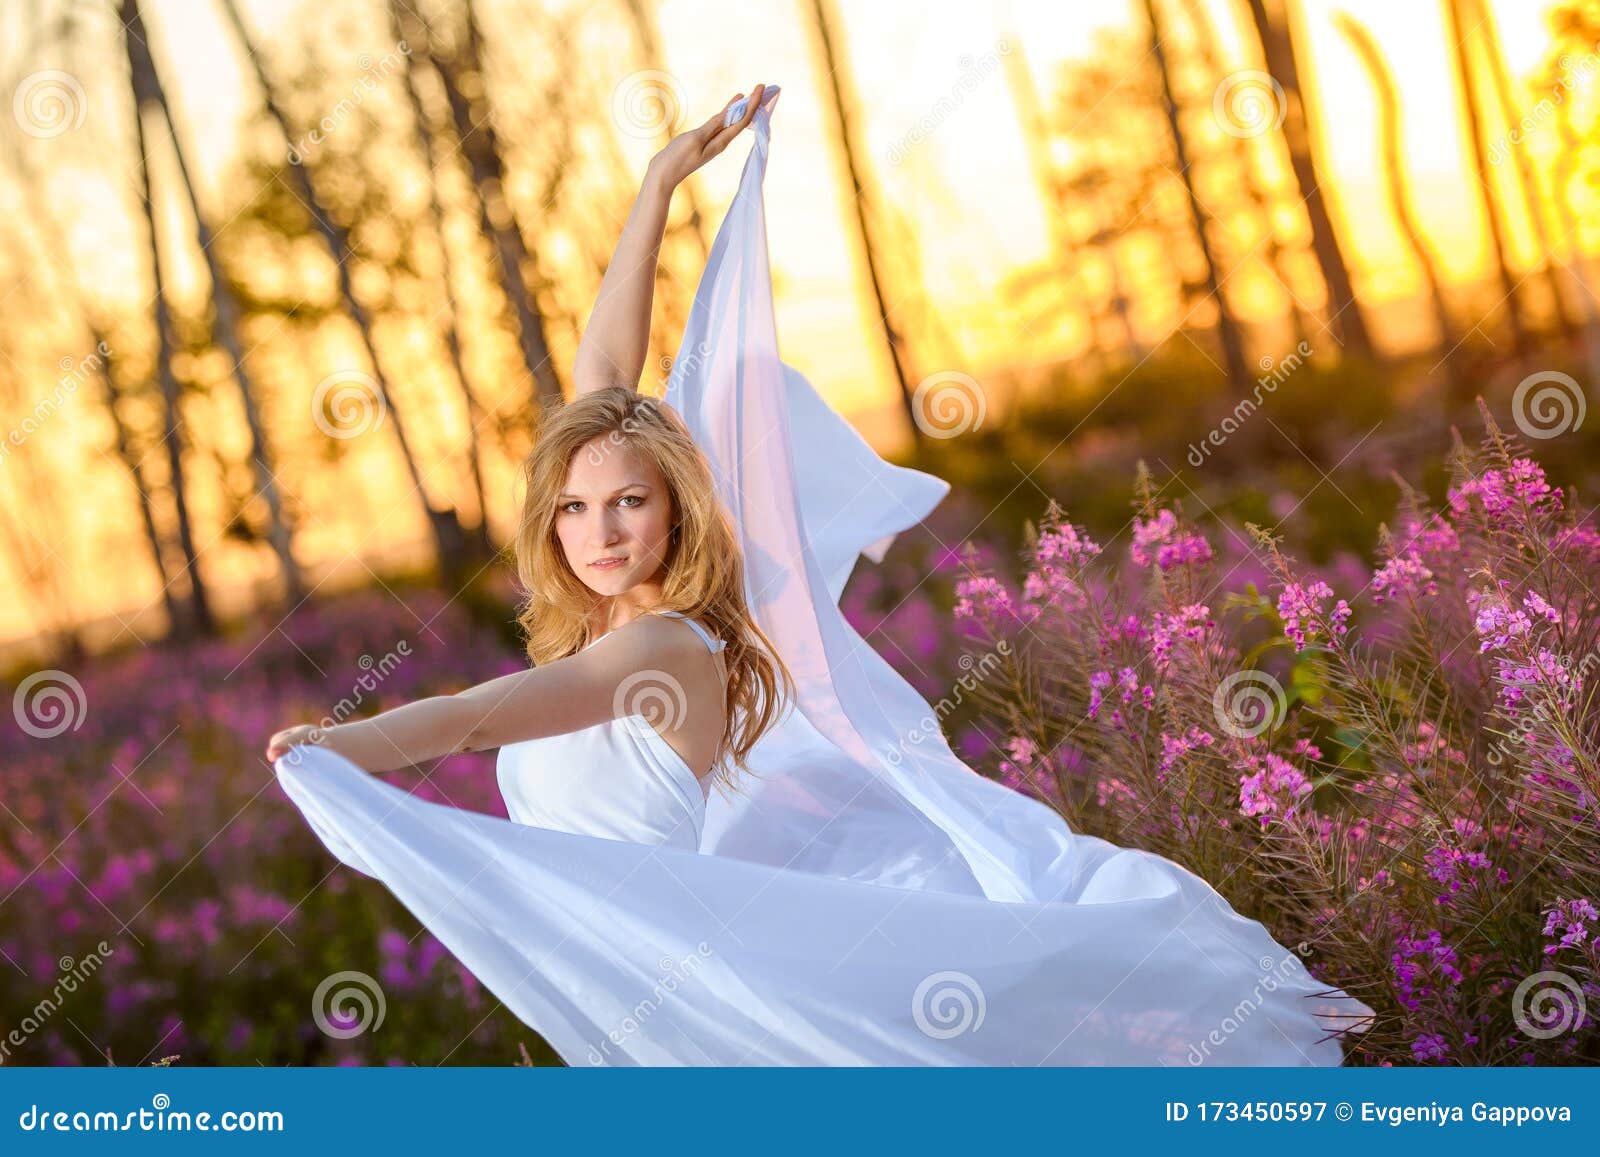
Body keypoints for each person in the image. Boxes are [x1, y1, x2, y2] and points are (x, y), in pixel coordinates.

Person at [270, 85, 1376, 1065]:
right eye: (572, 507)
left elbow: (471, 720)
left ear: (677, 508)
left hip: (667, 956)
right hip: (652, 963)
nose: (597, 529)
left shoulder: (660, 644)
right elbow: (601, 378)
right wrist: (658, 183)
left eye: (629, 502)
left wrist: (334, 745)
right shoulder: (619, 620)